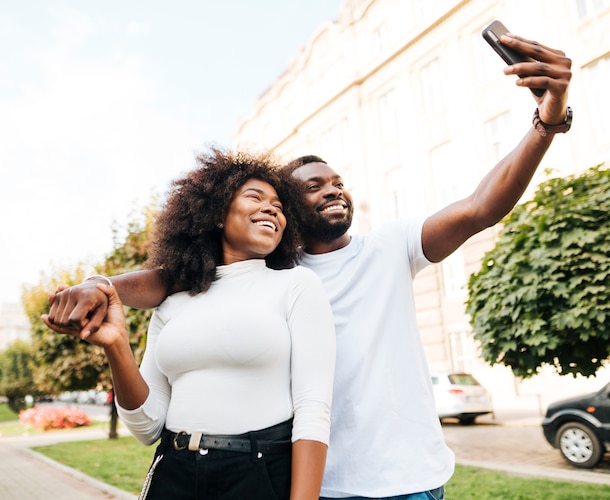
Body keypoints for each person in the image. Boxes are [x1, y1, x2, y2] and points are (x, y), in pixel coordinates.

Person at [45, 33, 572, 499]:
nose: (333, 188)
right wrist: (98, 288)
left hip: (402, 480)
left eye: (337, 180)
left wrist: (547, 121)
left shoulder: (387, 247)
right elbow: (166, 282)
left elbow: (481, 207)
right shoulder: (266, 273)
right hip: (300, 477)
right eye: (312, 186)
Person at [43, 148, 336, 500]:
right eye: (255, 196)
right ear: (216, 214)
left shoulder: (296, 285)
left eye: (279, 205)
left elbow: (313, 408)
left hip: (257, 473)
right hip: (173, 470)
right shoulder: (172, 302)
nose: (273, 208)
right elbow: (147, 426)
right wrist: (117, 345)